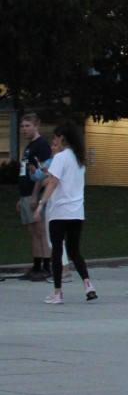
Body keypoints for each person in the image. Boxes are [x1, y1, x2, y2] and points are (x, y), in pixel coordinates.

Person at [37, 121, 96, 305]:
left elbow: (53, 182)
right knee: (74, 250)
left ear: (62, 138)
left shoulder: (60, 157)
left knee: (57, 250)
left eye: (55, 138)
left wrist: (41, 203)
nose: (53, 142)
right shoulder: (79, 159)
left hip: (60, 211)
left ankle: (58, 292)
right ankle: (88, 284)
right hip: (77, 212)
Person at [16, 112, 52, 281]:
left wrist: (34, 195)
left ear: (36, 126)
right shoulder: (29, 146)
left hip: (34, 194)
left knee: (40, 229)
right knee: (32, 230)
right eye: (22, 126)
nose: (24, 129)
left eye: (28, 126)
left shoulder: (41, 145)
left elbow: (43, 172)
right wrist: (22, 197)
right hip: (25, 193)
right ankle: (36, 265)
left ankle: (47, 266)